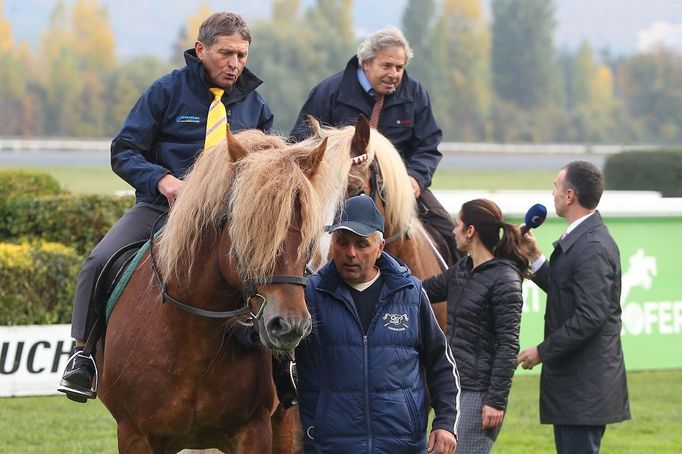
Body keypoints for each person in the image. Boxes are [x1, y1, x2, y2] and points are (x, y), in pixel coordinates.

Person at [58, 12, 273, 403]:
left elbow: (268, 167)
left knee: (287, 269)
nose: (235, 64)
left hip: (231, 219)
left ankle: (286, 366)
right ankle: (83, 356)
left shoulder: (257, 105)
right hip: (162, 207)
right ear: (200, 49)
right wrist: (163, 180)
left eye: (241, 55)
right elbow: (124, 150)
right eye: (226, 53)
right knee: (99, 260)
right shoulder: (165, 91)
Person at [295, 195, 459, 453]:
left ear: (380, 246)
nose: (351, 253)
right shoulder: (309, 296)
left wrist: (446, 423)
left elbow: (441, 363)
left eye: (362, 244)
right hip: (330, 446)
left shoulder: (411, 294)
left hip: (401, 445)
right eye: (342, 242)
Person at [290, 26, 458, 264]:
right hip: (337, 190)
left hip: (400, 189)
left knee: (448, 231)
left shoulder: (415, 94)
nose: (394, 74)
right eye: (387, 66)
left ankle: (459, 292)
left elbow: (427, 145)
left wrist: (416, 179)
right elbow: (301, 143)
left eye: (399, 67)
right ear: (365, 63)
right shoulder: (329, 92)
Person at [517, 161, 631, 453]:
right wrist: (536, 257)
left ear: (569, 195)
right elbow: (565, 290)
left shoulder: (592, 245)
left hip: (584, 386)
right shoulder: (583, 238)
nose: (552, 193)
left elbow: (590, 316)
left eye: (556, 187)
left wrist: (542, 351)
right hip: (577, 385)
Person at [422, 199, 528, 454]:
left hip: (480, 398)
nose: (453, 231)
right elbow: (421, 291)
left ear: (470, 231)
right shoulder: (462, 269)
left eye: (457, 224)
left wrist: (495, 401)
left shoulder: (505, 279)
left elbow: (508, 345)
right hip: (455, 390)